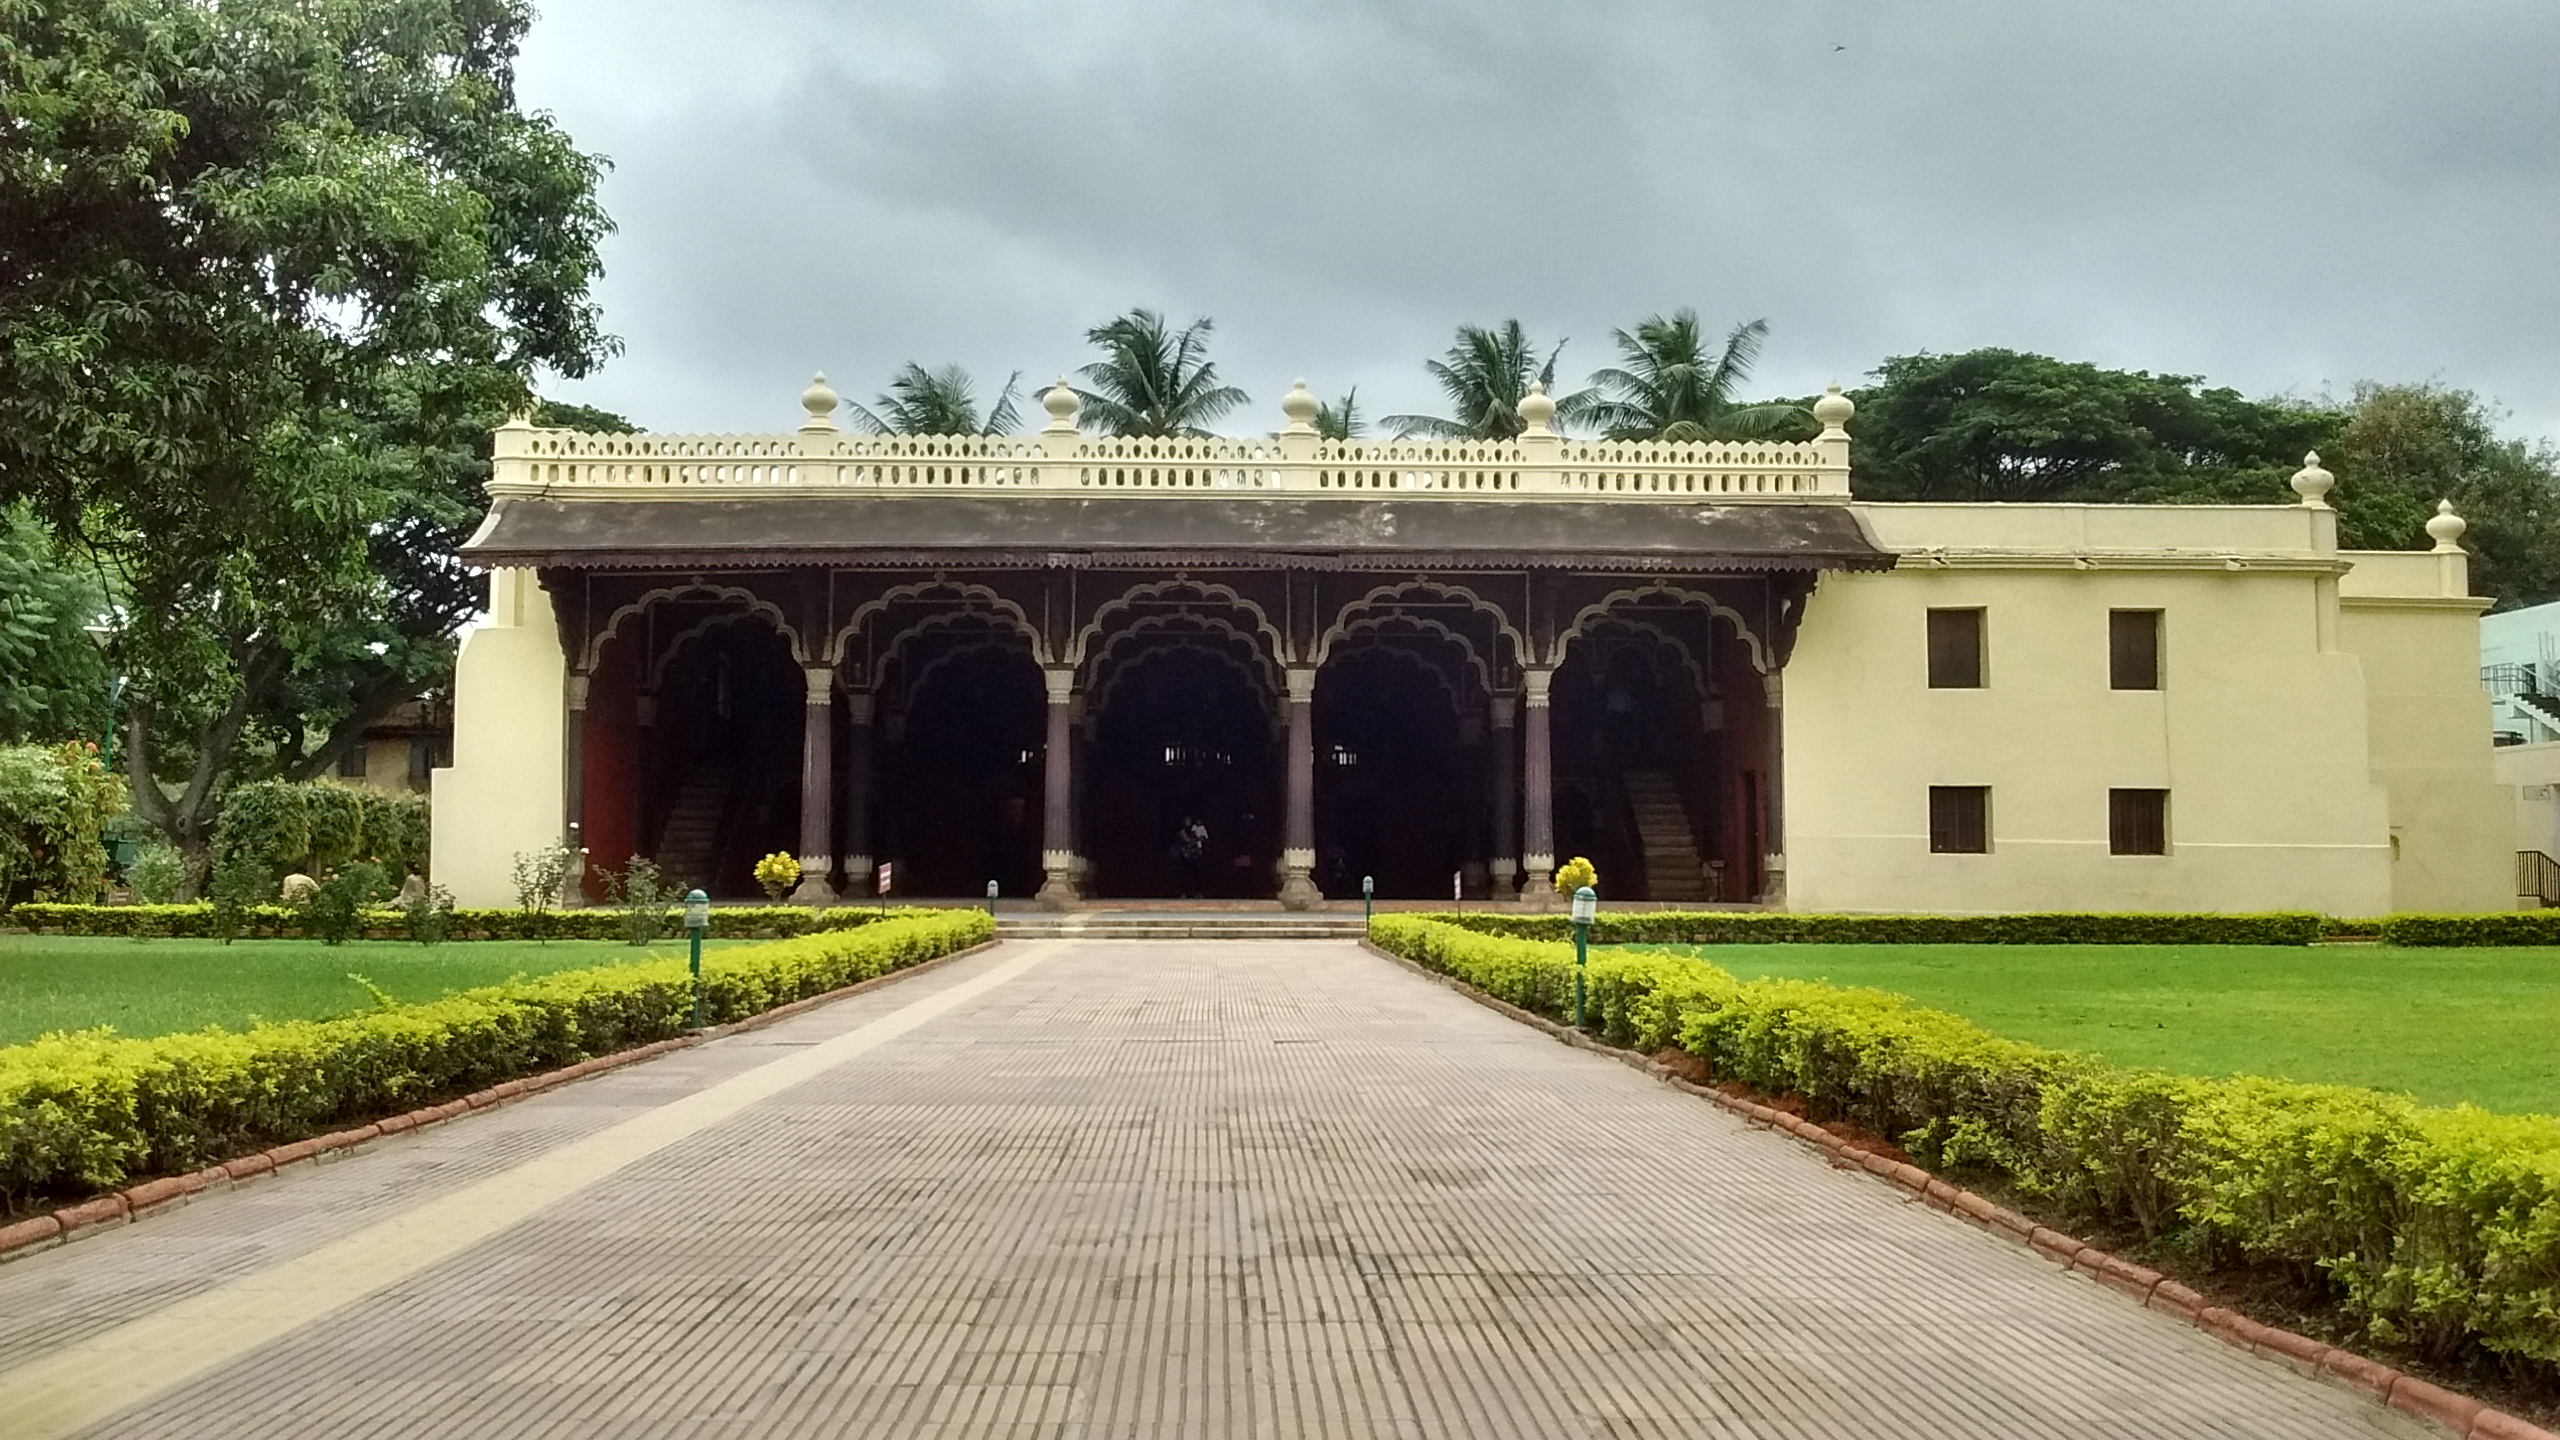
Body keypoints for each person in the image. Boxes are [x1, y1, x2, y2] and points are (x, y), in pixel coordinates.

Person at [1173, 815, 1208, 897]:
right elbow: (1187, 840)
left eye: (1190, 820)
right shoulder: (1182, 831)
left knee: (1196, 874)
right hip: (1185, 855)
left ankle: (1197, 892)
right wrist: (1198, 839)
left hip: (1193, 855)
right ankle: (1183, 893)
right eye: (1187, 820)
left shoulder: (1193, 830)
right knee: (1184, 875)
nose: (1189, 822)